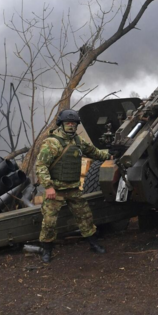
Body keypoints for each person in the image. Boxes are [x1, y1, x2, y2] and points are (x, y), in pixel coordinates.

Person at [35, 109, 112, 263]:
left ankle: (93, 244)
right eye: (68, 123)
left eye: (73, 123)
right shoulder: (52, 143)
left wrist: (110, 156)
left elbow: (94, 152)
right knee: (49, 222)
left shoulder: (78, 141)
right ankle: (47, 250)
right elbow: (41, 166)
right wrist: (48, 187)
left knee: (85, 217)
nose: (70, 125)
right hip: (56, 190)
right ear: (61, 124)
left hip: (73, 189)